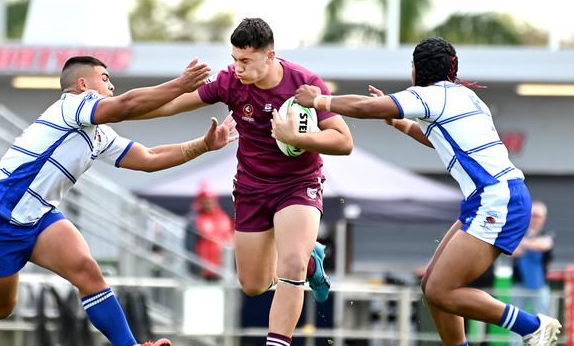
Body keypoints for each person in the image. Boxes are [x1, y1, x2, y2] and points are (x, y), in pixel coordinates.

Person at [0, 55, 236, 346]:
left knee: (88, 271)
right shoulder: (72, 106)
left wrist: (204, 145)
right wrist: (181, 84)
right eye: (105, 78)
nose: (111, 85)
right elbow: (126, 106)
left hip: (38, 218)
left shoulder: (99, 134)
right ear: (83, 84)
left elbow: (149, 158)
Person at [294, 37, 562, 345]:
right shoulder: (465, 96)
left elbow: (367, 107)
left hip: (498, 199)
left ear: (416, 69)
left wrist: (319, 101)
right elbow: (440, 138)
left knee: (441, 289)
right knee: (432, 286)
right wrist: (400, 124)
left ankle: (531, 325)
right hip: (492, 197)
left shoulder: (429, 95)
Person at [136, 18, 353, 345]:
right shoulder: (229, 81)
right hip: (251, 189)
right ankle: (312, 259)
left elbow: (344, 141)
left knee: (289, 268)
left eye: (246, 60)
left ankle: (283, 319)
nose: (237, 67)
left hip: (298, 185)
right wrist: (120, 111)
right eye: (235, 58)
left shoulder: (304, 83)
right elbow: (174, 104)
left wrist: (298, 138)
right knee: (253, 285)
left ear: (270, 56)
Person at [511, 201, 554, 345]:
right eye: (533, 215)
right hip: (519, 284)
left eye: (538, 216)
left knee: (543, 321)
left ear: (544, 218)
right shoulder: (519, 231)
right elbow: (512, 252)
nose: (535, 219)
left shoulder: (546, 233)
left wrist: (523, 244)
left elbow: (545, 245)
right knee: (515, 321)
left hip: (540, 286)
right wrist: (532, 244)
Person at [184, 180, 234, 280]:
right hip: (202, 271)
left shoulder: (222, 217)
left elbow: (230, 239)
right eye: (205, 200)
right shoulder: (194, 219)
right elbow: (190, 246)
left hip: (222, 269)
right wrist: (195, 268)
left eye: (211, 199)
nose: (208, 203)